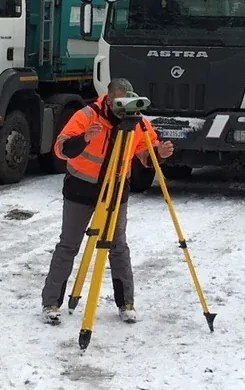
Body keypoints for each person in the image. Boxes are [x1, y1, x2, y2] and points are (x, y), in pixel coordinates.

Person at [40, 78, 174, 325]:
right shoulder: (87, 115)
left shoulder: (136, 122)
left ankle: (126, 303)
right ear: (108, 98)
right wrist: (84, 139)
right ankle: (51, 302)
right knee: (68, 245)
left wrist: (159, 153)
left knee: (118, 246)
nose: (120, 108)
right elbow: (60, 148)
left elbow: (145, 152)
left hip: (115, 190)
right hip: (81, 189)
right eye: (116, 102)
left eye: (125, 102)